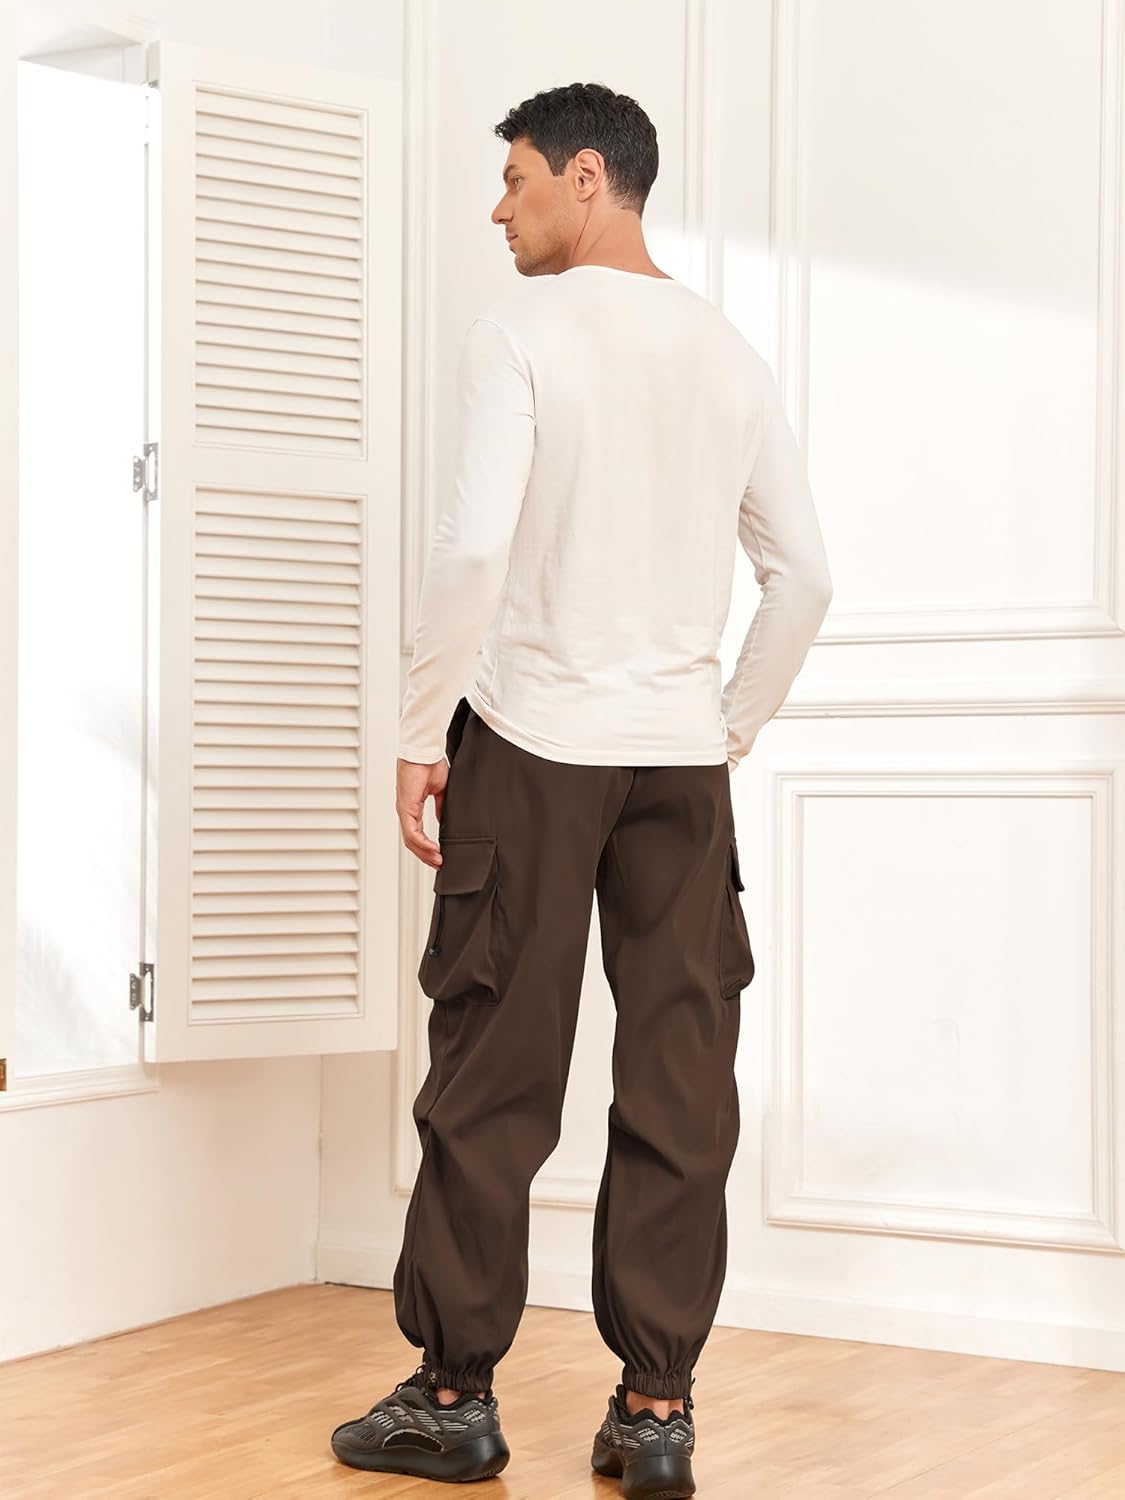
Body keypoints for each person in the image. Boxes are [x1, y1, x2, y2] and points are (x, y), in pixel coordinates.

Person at [331, 81, 833, 1497]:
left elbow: (470, 551)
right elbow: (803, 577)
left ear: (588, 177)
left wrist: (419, 727)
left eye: (516, 180)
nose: (499, 209)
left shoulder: (524, 333)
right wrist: (724, 728)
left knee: (493, 1067)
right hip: (678, 766)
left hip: (536, 744)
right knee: (680, 1081)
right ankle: (655, 1409)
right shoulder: (728, 352)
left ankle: (451, 1397)